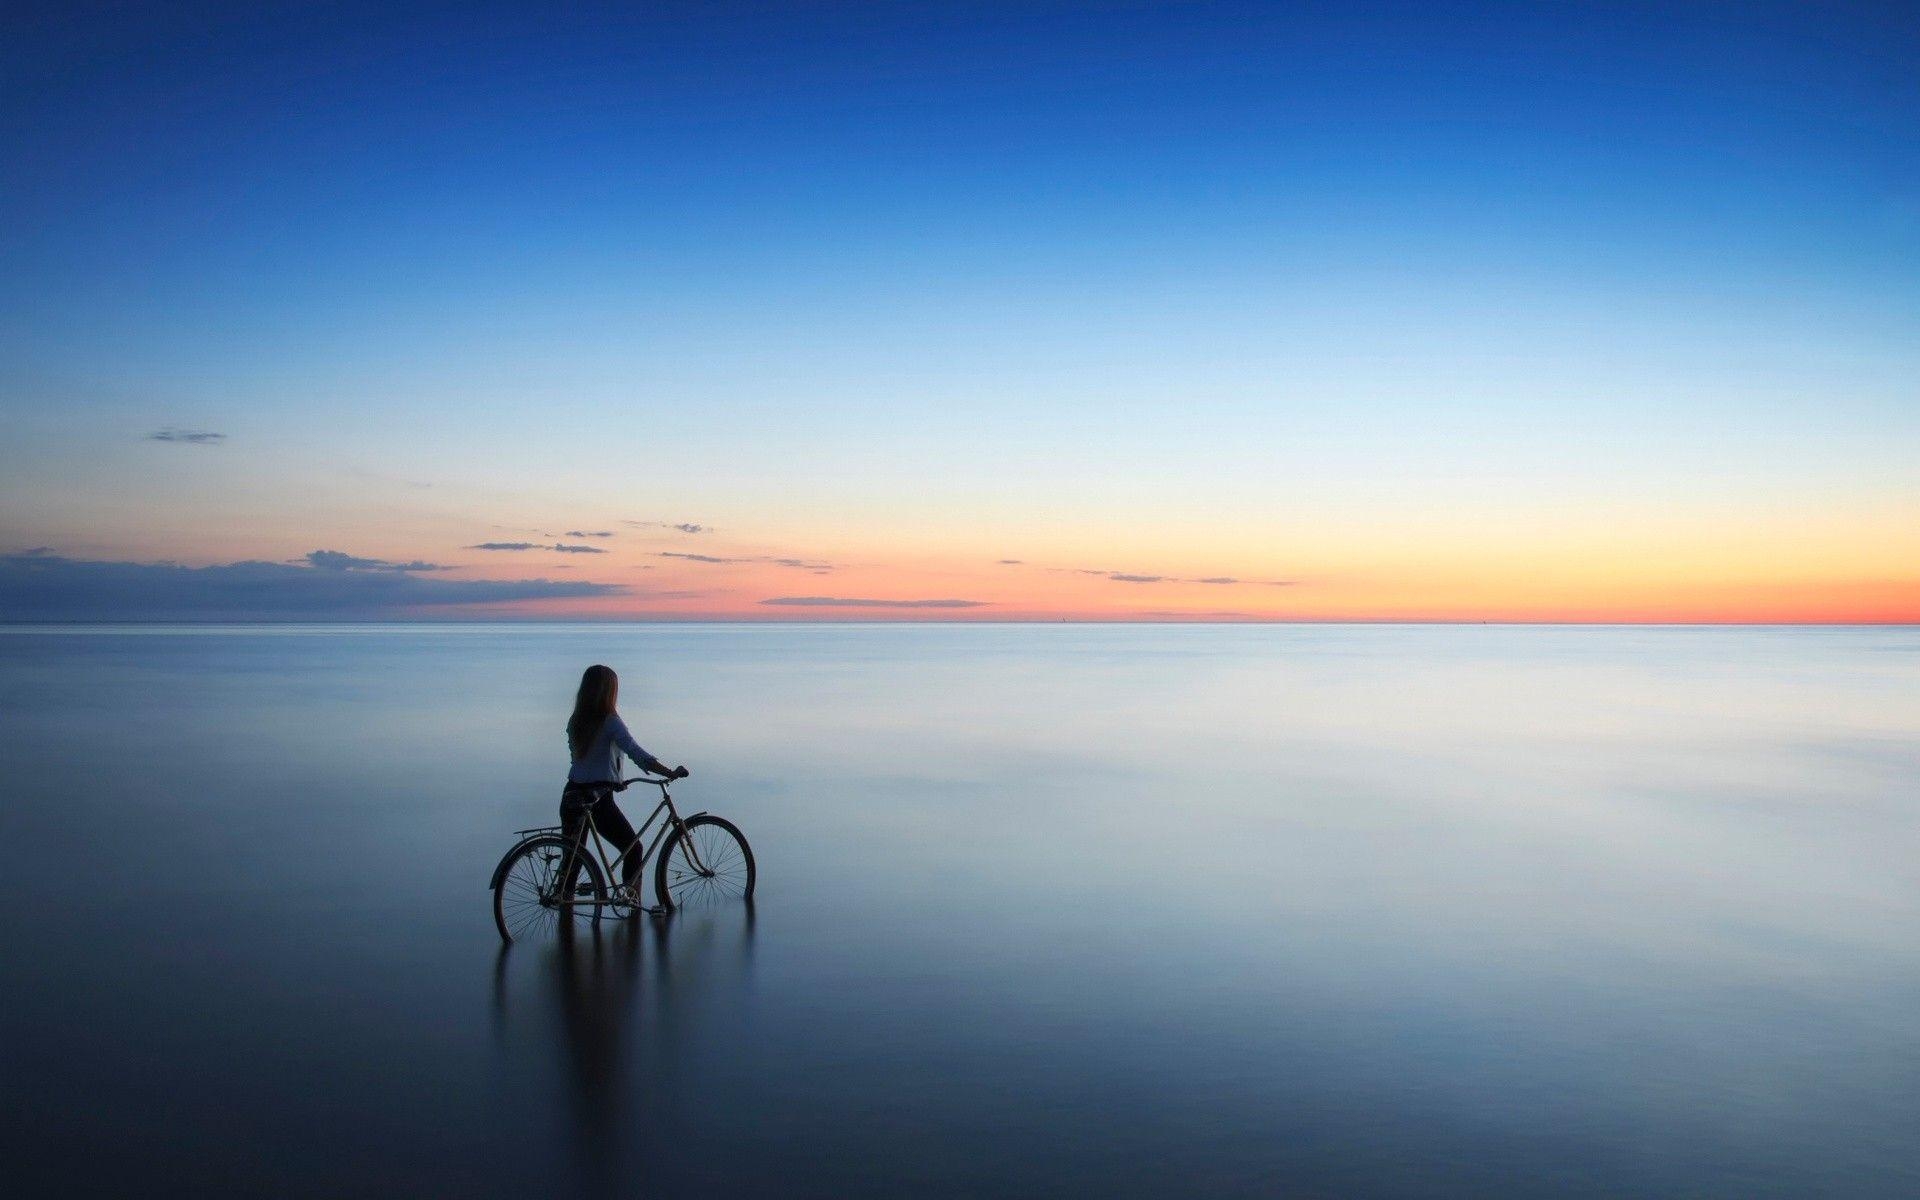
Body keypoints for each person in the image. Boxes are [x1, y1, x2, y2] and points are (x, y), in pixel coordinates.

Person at [562, 664, 689, 888]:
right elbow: (636, 753)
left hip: (572, 795)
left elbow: (583, 762)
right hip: (598, 800)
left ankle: (563, 912)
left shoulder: (576, 720)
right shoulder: (610, 721)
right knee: (634, 849)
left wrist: (614, 780)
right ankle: (632, 910)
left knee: (573, 860)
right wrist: (669, 772)